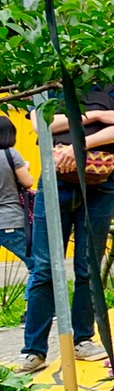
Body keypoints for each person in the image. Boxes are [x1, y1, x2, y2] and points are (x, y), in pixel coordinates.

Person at [17, 82, 114, 373]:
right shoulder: (48, 81)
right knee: (45, 268)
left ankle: (83, 339)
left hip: (101, 187)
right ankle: (34, 350)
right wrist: (99, 117)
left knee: (87, 268)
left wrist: (78, 145)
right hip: (54, 184)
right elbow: (42, 125)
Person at [0, 117, 33, 278]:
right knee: (38, 265)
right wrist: (24, 168)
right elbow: (28, 182)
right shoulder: (10, 154)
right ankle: (35, 303)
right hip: (9, 220)